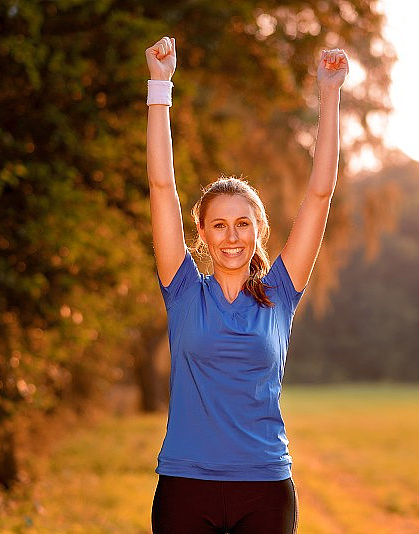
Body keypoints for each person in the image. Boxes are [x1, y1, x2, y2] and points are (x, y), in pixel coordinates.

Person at [144, 36, 348, 533]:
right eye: (218, 224)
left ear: (258, 229)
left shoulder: (281, 292)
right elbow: (161, 186)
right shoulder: (184, 290)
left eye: (242, 223)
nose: (231, 236)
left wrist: (330, 94)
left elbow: (320, 192)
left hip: (264, 488)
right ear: (203, 234)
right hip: (185, 486)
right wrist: (159, 86)